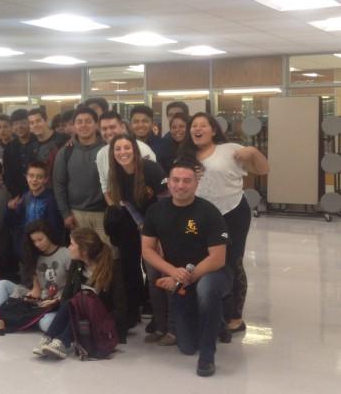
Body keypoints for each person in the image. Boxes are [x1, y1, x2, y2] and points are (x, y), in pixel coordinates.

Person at [141, 161, 232, 377]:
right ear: (169, 183)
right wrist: (172, 272)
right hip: (180, 276)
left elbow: (217, 259)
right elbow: (147, 250)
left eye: (187, 181)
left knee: (206, 291)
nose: (181, 185)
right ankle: (217, 321)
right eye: (176, 180)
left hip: (212, 273)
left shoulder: (208, 212)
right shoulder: (156, 211)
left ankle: (207, 356)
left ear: (196, 184)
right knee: (187, 346)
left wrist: (183, 279)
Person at [180, 112, 268, 334]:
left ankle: (235, 316)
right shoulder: (185, 155)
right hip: (199, 216)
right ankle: (210, 309)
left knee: (232, 262)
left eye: (203, 125)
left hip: (232, 213)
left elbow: (263, 169)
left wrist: (254, 152)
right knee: (202, 261)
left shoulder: (229, 149)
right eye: (193, 126)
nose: (197, 129)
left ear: (213, 130)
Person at [105, 134, 166, 334]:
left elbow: (165, 200)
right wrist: (141, 225)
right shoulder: (116, 174)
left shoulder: (150, 169)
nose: (123, 153)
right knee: (138, 270)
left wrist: (155, 231)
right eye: (118, 149)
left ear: (135, 149)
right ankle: (140, 313)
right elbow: (127, 204)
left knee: (155, 272)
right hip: (140, 227)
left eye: (127, 148)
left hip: (161, 227)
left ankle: (163, 319)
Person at [0, 219, 71, 334]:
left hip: (57, 302)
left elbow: (72, 285)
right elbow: (37, 290)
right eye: (34, 241)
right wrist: (31, 296)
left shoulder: (65, 253)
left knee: (47, 324)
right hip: (39, 300)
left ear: (49, 235)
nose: (37, 244)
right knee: (3, 284)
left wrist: (56, 299)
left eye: (40, 239)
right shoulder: (35, 256)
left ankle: (22, 320)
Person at [32, 227, 115, 360]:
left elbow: (119, 301)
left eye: (72, 244)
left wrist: (118, 334)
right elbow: (67, 294)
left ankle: (62, 342)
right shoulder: (76, 264)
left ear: (84, 249)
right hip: (79, 314)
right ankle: (48, 338)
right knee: (72, 301)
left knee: (81, 300)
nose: (69, 247)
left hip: (100, 318)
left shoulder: (111, 266)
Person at [53, 106, 106, 237]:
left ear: (96, 124)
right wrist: (66, 214)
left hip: (104, 213)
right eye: (79, 122)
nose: (84, 125)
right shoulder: (65, 151)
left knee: (107, 255)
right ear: (74, 126)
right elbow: (59, 184)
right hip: (76, 214)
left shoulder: (107, 148)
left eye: (88, 121)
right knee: (82, 256)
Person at [97, 111, 157, 203]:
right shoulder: (101, 154)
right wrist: (113, 207)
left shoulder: (143, 149)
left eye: (112, 127)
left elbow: (154, 183)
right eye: (104, 129)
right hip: (119, 209)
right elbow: (105, 185)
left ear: (122, 127)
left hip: (145, 208)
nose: (108, 132)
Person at [9, 161, 63, 258]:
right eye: (31, 176)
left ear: (46, 179)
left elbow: (55, 227)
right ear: (26, 177)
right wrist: (10, 209)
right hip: (26, 249)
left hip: (45, 250)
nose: (34, 180)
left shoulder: (51, 200)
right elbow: (16, 222)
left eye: (39, 177)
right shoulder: (25, 197)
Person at [3, 109, 38, 197]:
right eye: (15, 124)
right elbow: (7, 174)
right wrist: (15, 195)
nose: (19, 126)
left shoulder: (38, 142)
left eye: (23, 122)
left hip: (39, 192)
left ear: (30, 123)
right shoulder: (9, 147)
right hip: (18, 195)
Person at [28, 107, 66, 173]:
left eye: (38, 121)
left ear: (46, 121)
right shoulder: (32, 146)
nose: (35, 125)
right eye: (32, 123)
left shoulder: (63, 140)